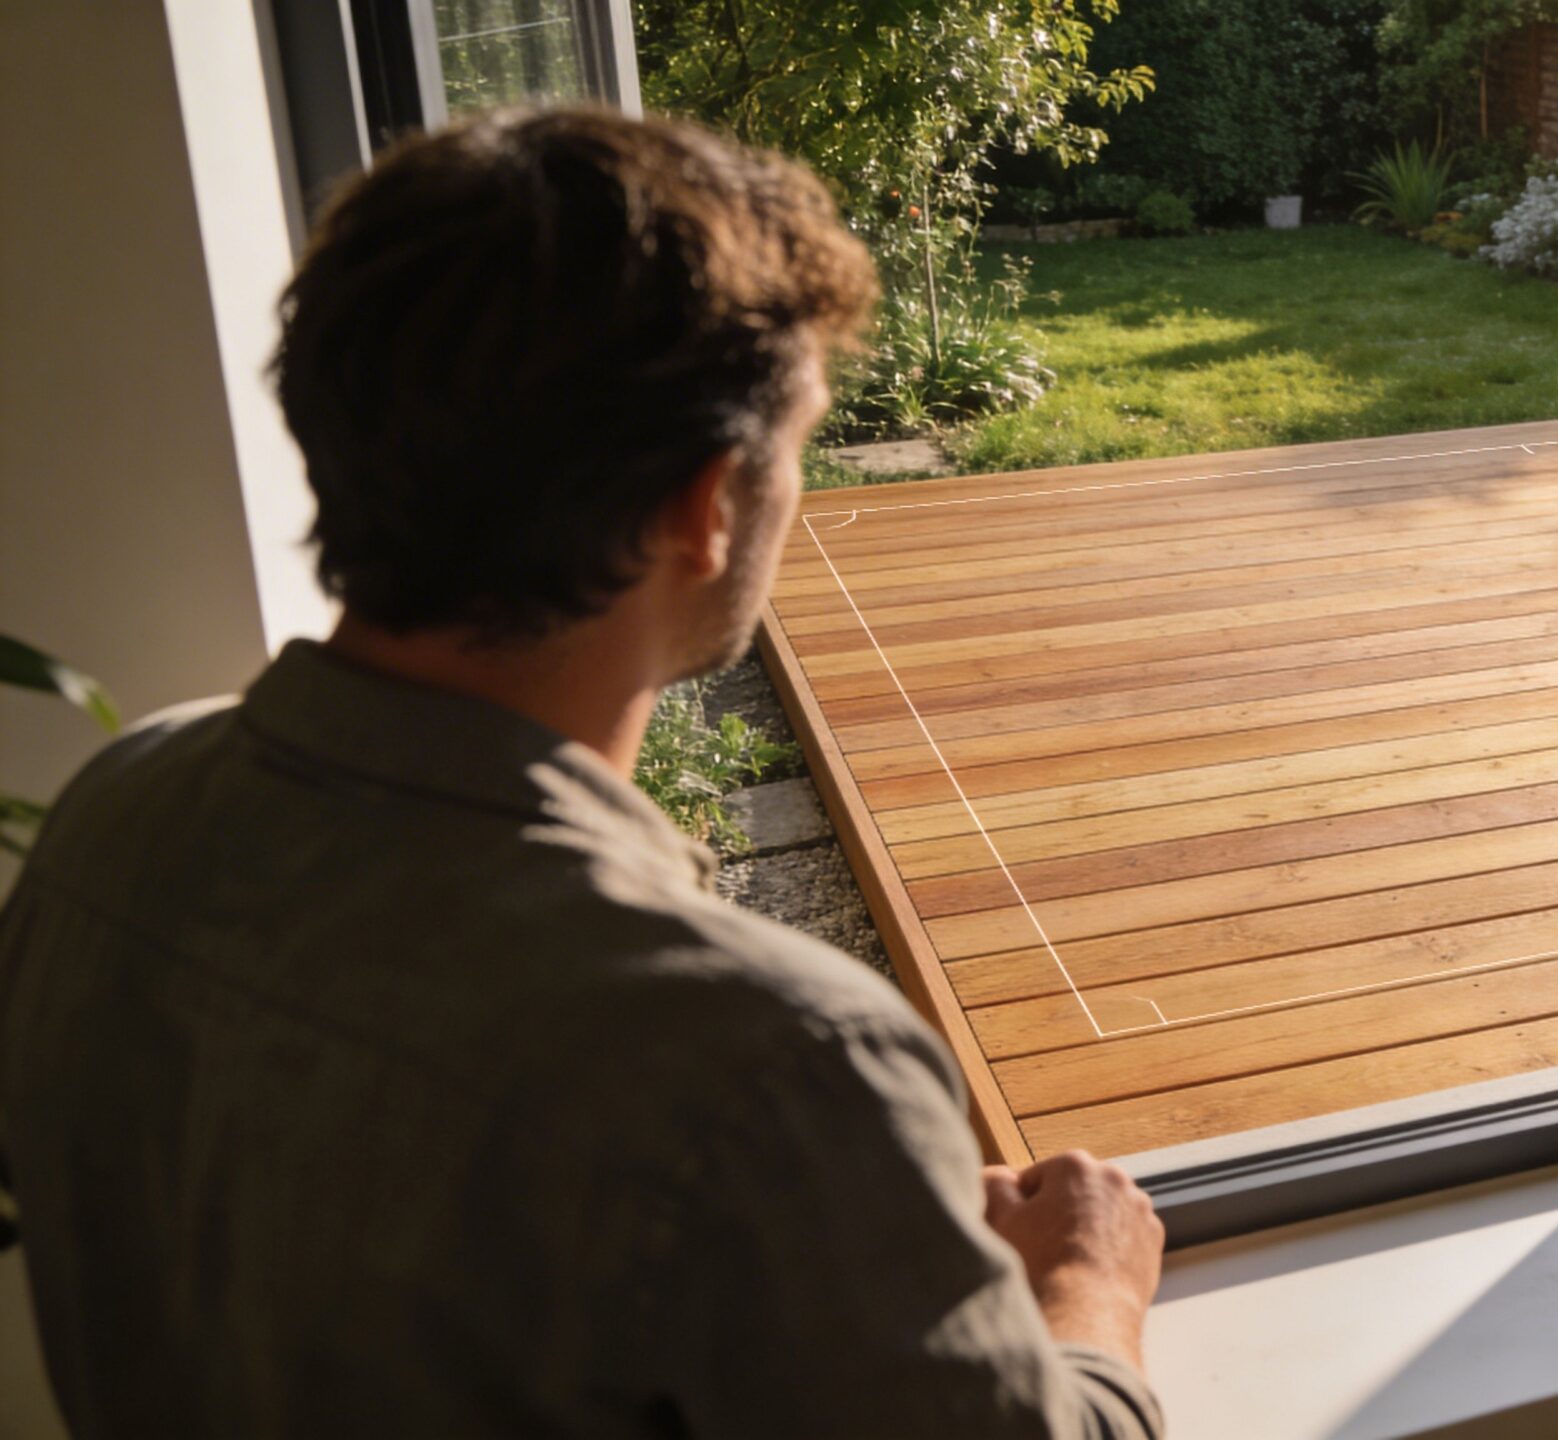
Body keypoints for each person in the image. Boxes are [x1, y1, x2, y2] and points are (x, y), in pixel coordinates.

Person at [0, 108, 1164, 1436]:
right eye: (796, 450)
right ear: (702, 506)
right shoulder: (773, 1068)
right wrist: (1089, 1293)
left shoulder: (112, 820)